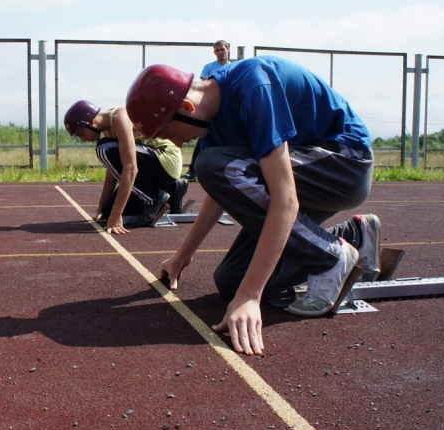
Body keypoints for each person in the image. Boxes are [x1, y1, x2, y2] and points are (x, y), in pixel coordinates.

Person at [125, 56, 381, 356]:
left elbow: (285, 198)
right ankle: (355, 236)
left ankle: (332, 257)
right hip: (308, 174)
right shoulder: (212, 119)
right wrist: (184, 255)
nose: (177, 144)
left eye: (170, 134)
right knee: (231, 281)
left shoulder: (253, 84)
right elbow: (220, 189)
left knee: (214, 166)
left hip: (346, 163)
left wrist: (252, 295)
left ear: (186, 108)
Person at [63, 100, 189, 234]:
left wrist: (117, 215)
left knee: (103, 148)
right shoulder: (108, 128)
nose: (83, 140)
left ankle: (154, 196)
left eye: (81, 134)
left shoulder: (120, 118)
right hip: (157, 167)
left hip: (166, 159)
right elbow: (112, 170)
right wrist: (102, 206)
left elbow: (130, 168)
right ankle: (174, 188)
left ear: (92, 121)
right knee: (108, 210)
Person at [182, 40, 232, 181]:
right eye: (217, 50)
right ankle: (193, 171)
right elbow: (205, 87)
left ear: (228, 49)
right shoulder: (209, 67)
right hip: (212, 109)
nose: (220, 53)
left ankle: (227, 169)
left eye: (222, 49)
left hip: (228, 109)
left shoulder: (234, 67)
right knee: (203, 139)